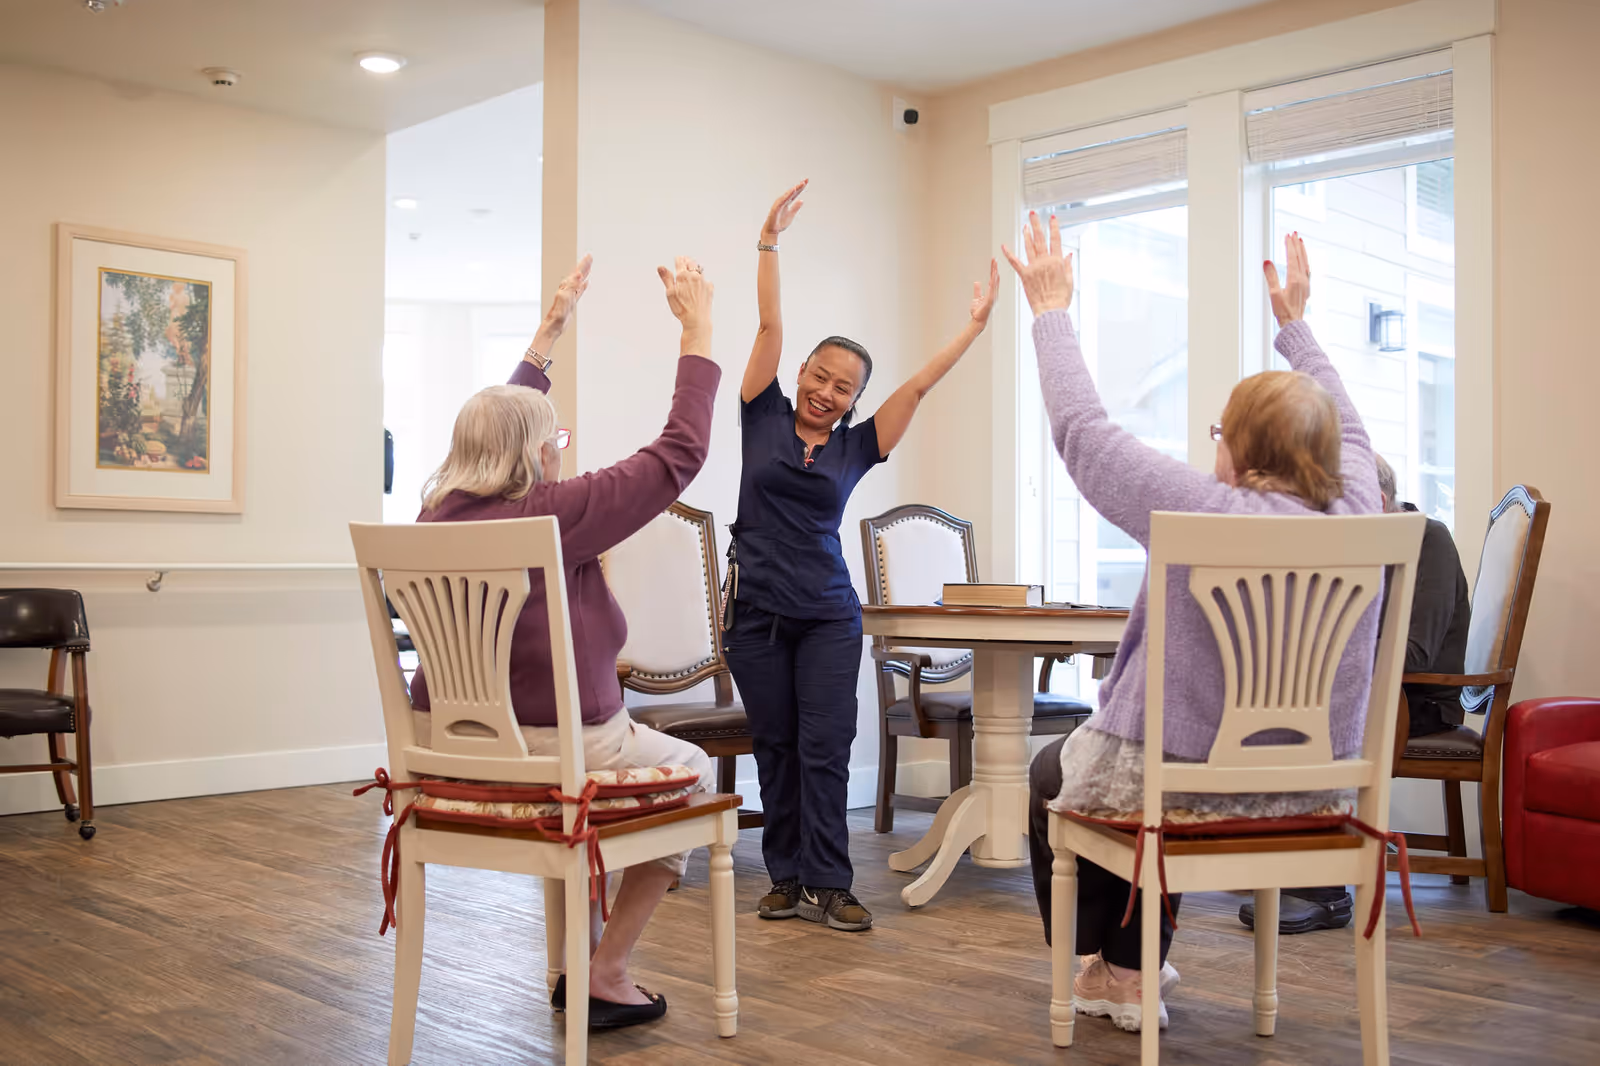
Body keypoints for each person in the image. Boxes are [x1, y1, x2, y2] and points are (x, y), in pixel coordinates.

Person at [1009, 221, 1383, 1033]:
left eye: (1220, 432)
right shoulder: (1361, 508)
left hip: (1184, 793)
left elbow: (1083, 434)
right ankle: (1128, 964)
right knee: (1131, 761)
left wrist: (1051, 310)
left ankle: (1100, 968)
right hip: (1310, 794)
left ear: (1240, 450)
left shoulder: (1196, 508)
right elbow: (1353, 432)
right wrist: (1297, 328)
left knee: (1059, 773)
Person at [408, 254, 720, 1031]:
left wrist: (548, 334)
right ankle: (604, 970)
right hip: (561, 751)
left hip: (451, 755)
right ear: (535, 455)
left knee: (601, 766)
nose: (559, 450)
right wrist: (697, 328)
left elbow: (501, 420)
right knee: (691, 767)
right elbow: (678, 452)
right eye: (553, 441)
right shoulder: (556, 513)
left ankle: (571, 963)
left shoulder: (434, 518)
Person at [724, 180, 1000, 933]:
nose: (824, 390)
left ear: (853, 401)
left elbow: (919, 383)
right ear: (801, 374)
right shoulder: (761, 413)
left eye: (842, 387)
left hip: (827, 617)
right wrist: (768, 242)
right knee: (776, 747)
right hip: (754, 617)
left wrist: (973, 329)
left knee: (827, 748)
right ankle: (784, 878)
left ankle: (832, 883)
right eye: (818, 375)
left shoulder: (858, 445)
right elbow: (769, 322)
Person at [1238, 452, 1471, 935]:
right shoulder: (1363, 544)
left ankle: (1325, 889)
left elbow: (1415, 653)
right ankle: (1288, 852)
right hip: (1364, 694)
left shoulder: (1429, 540)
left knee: (1310, 716)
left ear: (1379, 502)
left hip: (1417, 702)